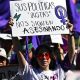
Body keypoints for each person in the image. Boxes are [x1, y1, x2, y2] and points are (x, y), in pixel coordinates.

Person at [10, 22, 75, 80]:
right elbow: (19, 51)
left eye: (46, 55)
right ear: (36, 58)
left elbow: (71, 52)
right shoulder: (29, 71)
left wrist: (70, 33)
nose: (44, 57)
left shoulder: (59, 70)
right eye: (40, 55)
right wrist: (13, 30)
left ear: (50, 58)